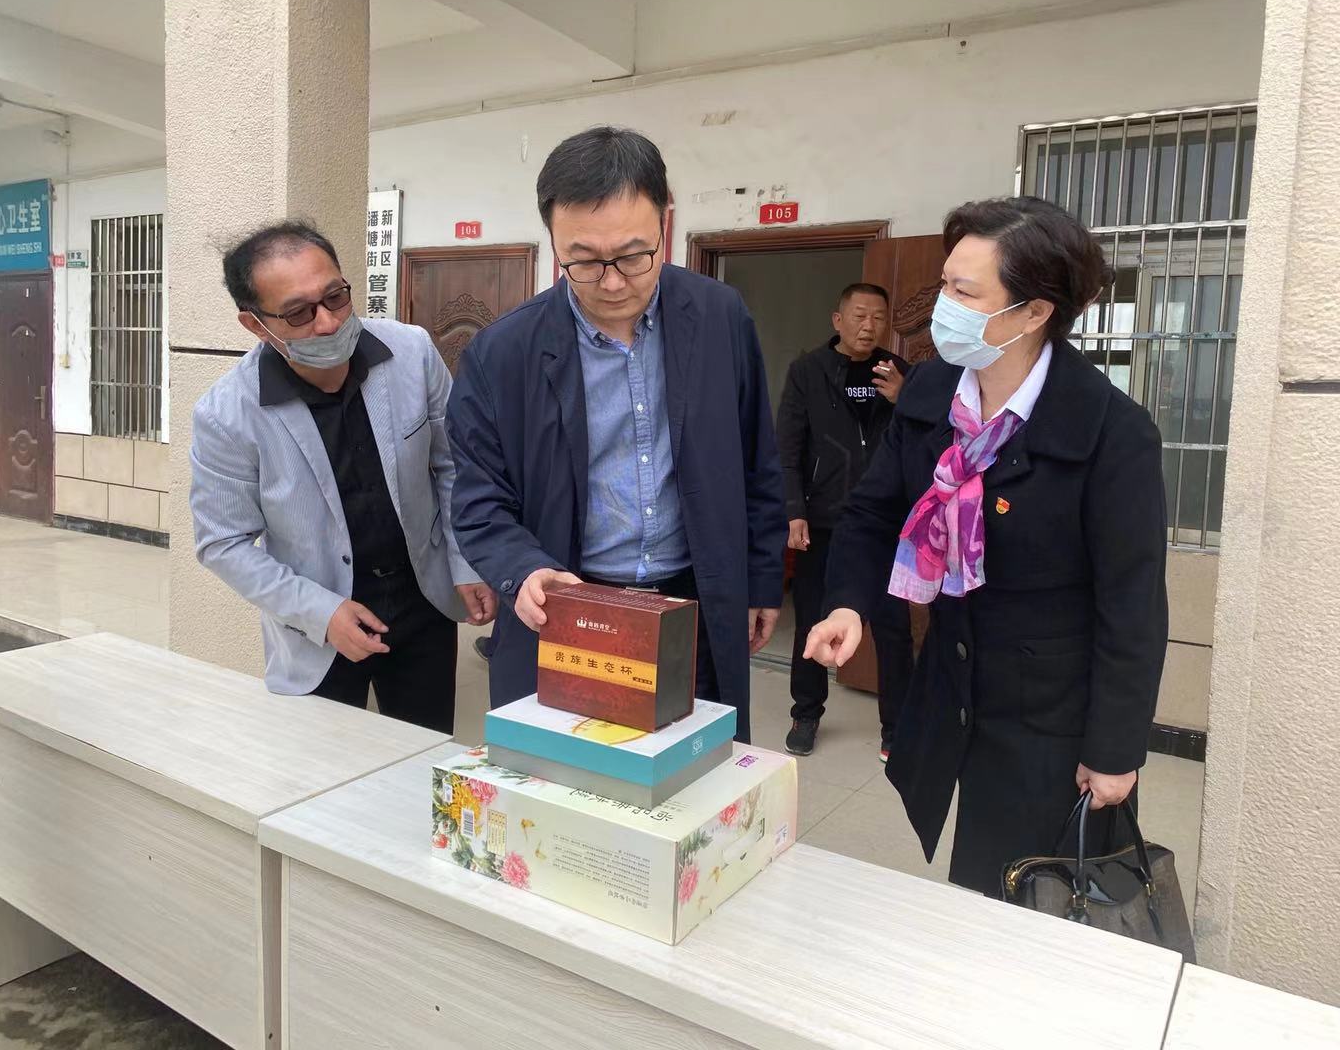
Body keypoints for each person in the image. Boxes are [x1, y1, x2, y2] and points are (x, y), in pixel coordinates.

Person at [805, 196, 1167, 897]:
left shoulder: (1109, 432)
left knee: (1034, 893)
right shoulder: (931, 391)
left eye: (965, 293)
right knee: (975, 881)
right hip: (953, 685)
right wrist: (848, 604)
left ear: (1034, 312)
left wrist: (1114, 749)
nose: (944, 306)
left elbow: (1133, 604)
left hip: (1050, 714)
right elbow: (873, 513)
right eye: (945, 284)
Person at [446, 126, 786, 743]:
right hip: (568, 610)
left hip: (695, 603)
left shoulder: (719, 316)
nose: (611, 282)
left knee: (695, 767)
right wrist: (524, 569)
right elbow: (477, 501)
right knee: (569, 777)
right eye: (583, 260)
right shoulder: (503, 353)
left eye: (633, 256)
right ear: (553, 240)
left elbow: (757, 459)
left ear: (665, 225)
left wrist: (761, 580)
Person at [190, 220, 495, 734]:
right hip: (316, 624)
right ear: (255, 324)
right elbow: (223, 543)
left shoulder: (412, 353)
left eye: (335, 297)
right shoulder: (227, 415)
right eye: (299, 313)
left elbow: (454, 465)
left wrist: (466, 562)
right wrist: (321, 613)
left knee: (420, 750)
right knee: (321, 767)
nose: (328, 323)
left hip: (424, 602)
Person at [777, 282, 913, 760]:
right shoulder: (808, 372)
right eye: (859, 315)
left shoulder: (900, 373)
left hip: (887, 524)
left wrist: (904, 399)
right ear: (838, 320)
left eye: (878, 317)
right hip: (824, 521)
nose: (868, 326)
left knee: (894, 629)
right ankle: (806, 713)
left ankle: (897, 727)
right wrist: (794, 510)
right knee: (813, 621)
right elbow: (787, 448)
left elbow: (929, 438)